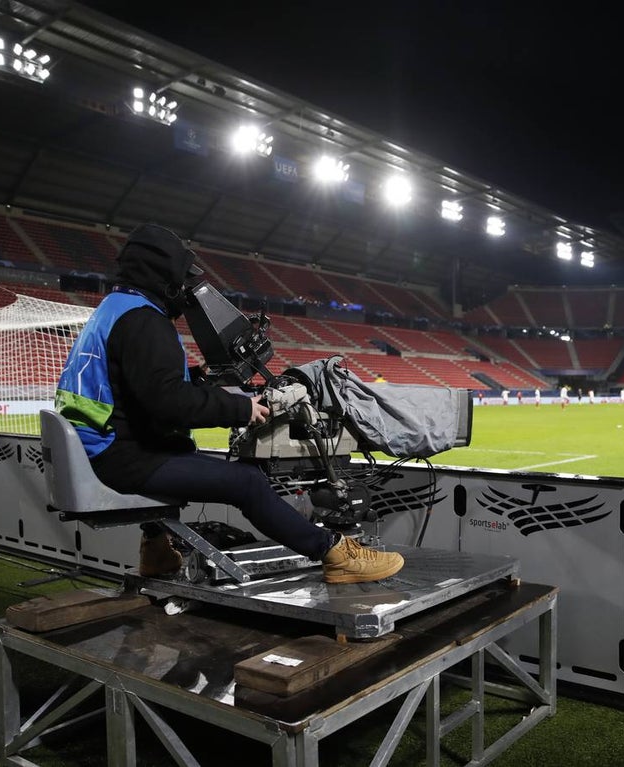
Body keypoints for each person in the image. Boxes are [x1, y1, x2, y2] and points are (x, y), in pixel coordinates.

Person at [54, 223, 403, 583]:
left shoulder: (117, 308)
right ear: (162, 273)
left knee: (179, 449)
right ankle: (333, 553)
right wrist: (241, 408)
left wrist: (198, 376)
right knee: (246, 481)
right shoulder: (145, 320)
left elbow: (139, 386)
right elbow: (169, 403)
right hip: (118, 458)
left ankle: (156, 551)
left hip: (100, 449)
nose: (187, 288)